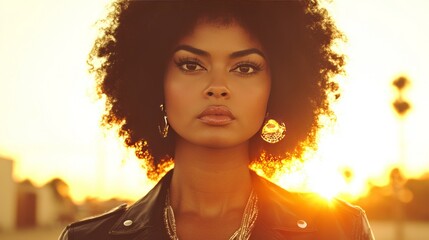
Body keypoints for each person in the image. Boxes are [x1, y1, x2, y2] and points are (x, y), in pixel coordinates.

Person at [59, 0, 375, 239]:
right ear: (154, 80)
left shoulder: (339, 229)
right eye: (192, 65)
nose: (218, 88)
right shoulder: (88, 238)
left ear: (278, 89)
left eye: (245, 68)